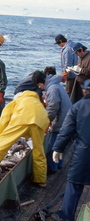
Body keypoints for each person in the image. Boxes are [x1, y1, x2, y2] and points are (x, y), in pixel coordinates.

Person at [0, 90, 50, 187]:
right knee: (39, 151)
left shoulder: (17, 101)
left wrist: (1, 137)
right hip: (40, 123)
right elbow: (46, 118)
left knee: (2, 144)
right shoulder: (37, 102)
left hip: (22, 120)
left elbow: (4, 119)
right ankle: (40, 180)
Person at [50, 79, 90, 221]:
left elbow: (66, 131)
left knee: (74, 185)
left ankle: (66, 216)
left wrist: (57, 149)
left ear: (85, 91)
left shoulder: (78, 106)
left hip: (83, 153)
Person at [32, 68, 72, 174]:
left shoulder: (52, 89)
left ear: (42, 82)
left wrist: (47, 121)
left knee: (52, 147)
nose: (40, 88)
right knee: (60, 144)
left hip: (62, 119)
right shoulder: (55, 84)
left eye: (39, 85)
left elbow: (53, 108)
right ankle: (59, 164)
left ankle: (52, 168)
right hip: (67, 118)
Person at [54, 34, 82, 102]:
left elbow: (67, 65)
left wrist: (64, 76)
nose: (58, 45)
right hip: (76, 74)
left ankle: (68, 110)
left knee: (69, 94)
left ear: (60, 41)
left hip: (70, 75)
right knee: (77, 94)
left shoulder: (67, 49)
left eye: (58, 43)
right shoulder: (72, 45)